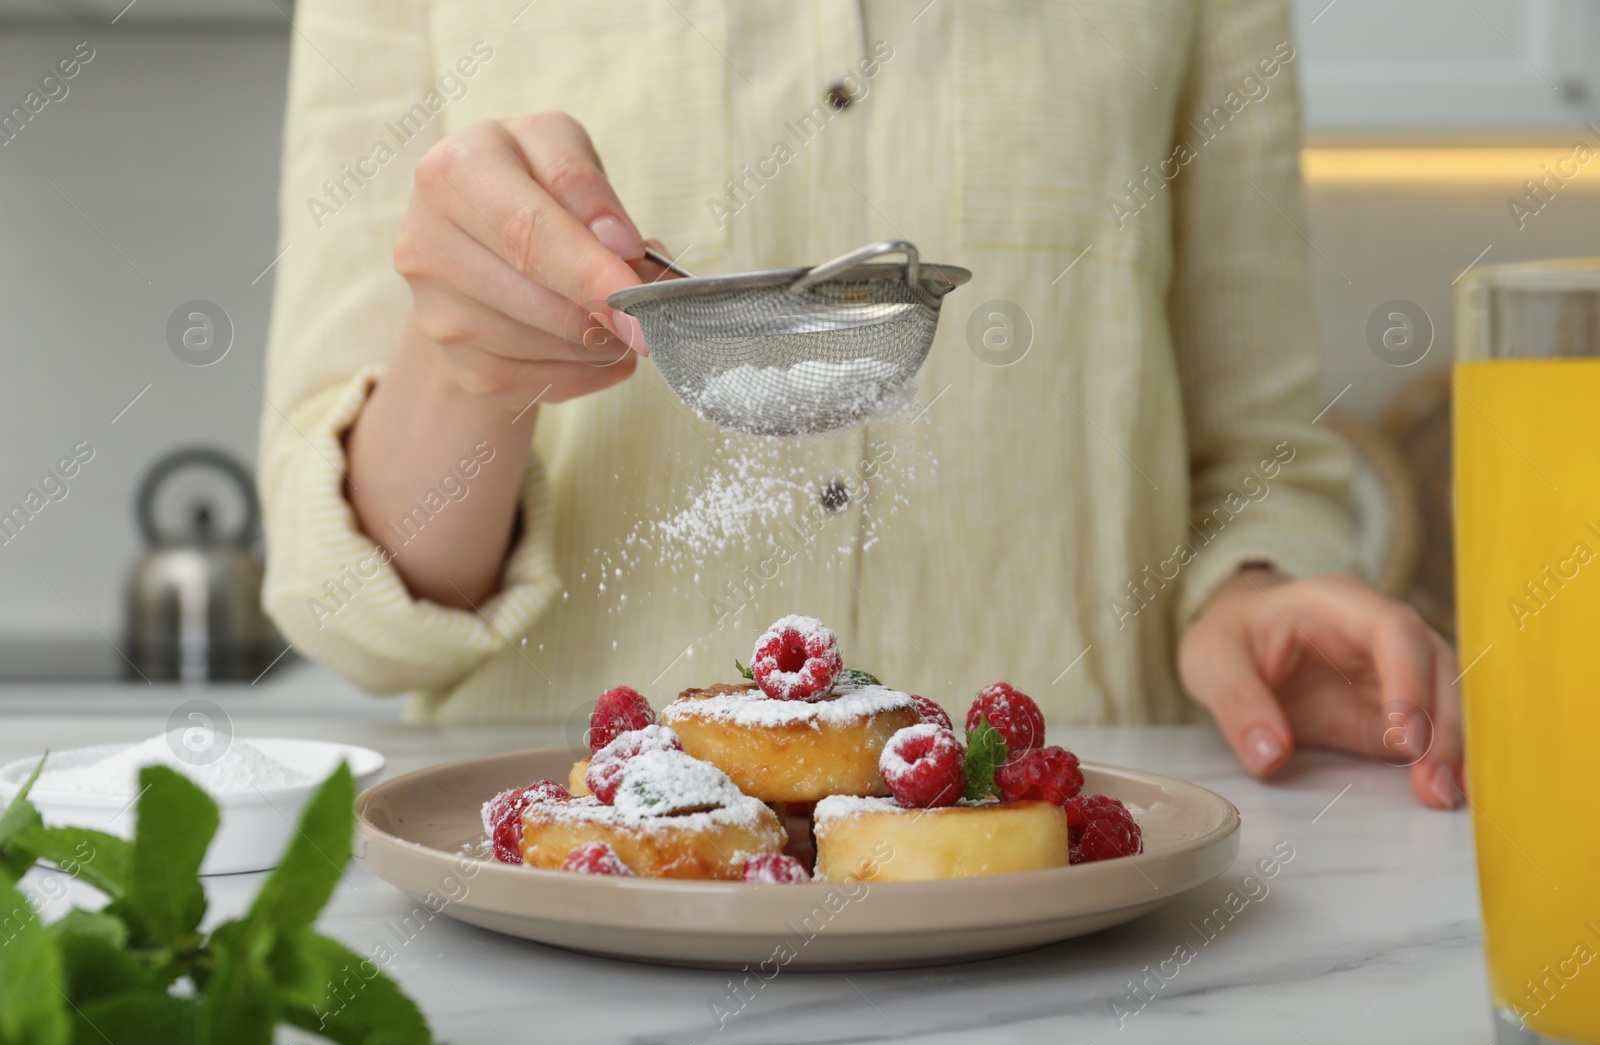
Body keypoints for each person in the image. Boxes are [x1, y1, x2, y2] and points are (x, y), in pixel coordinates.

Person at [260, 0, 1462, 809]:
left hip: (1053, 900)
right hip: (586, 903)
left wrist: (1250, 589)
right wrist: (470, 366)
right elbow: (346, 610)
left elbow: (1263, 461)